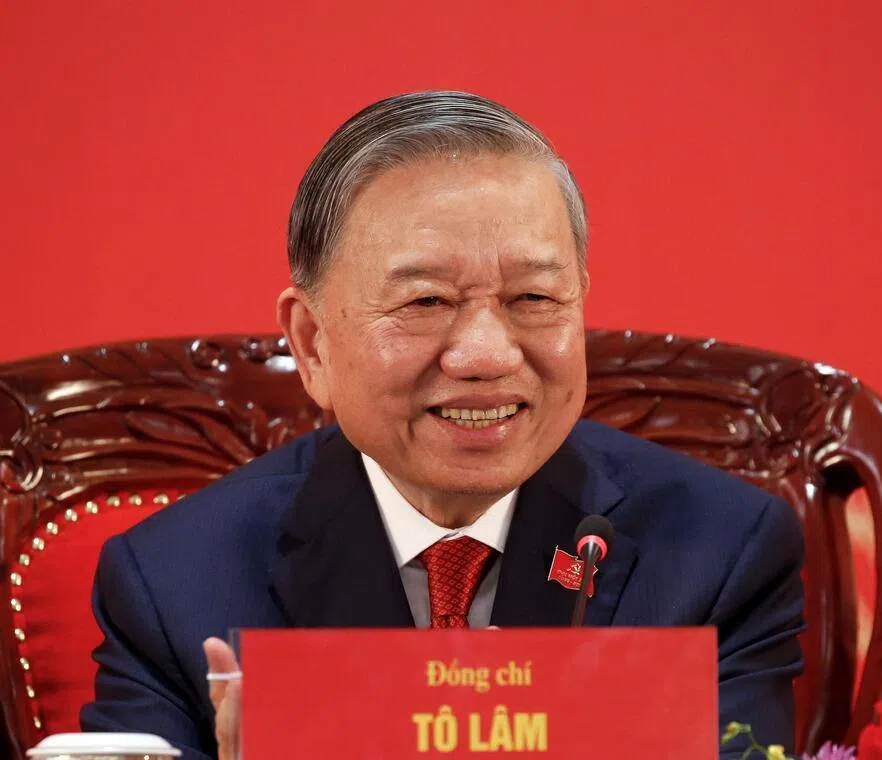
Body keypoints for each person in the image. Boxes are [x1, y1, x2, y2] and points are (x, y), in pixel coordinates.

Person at [78, 91, 805, 758]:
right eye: (426, 303)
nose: (488, 355)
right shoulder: (173, 588)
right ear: (312, 343)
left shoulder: (721, 558)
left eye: (532, 297)